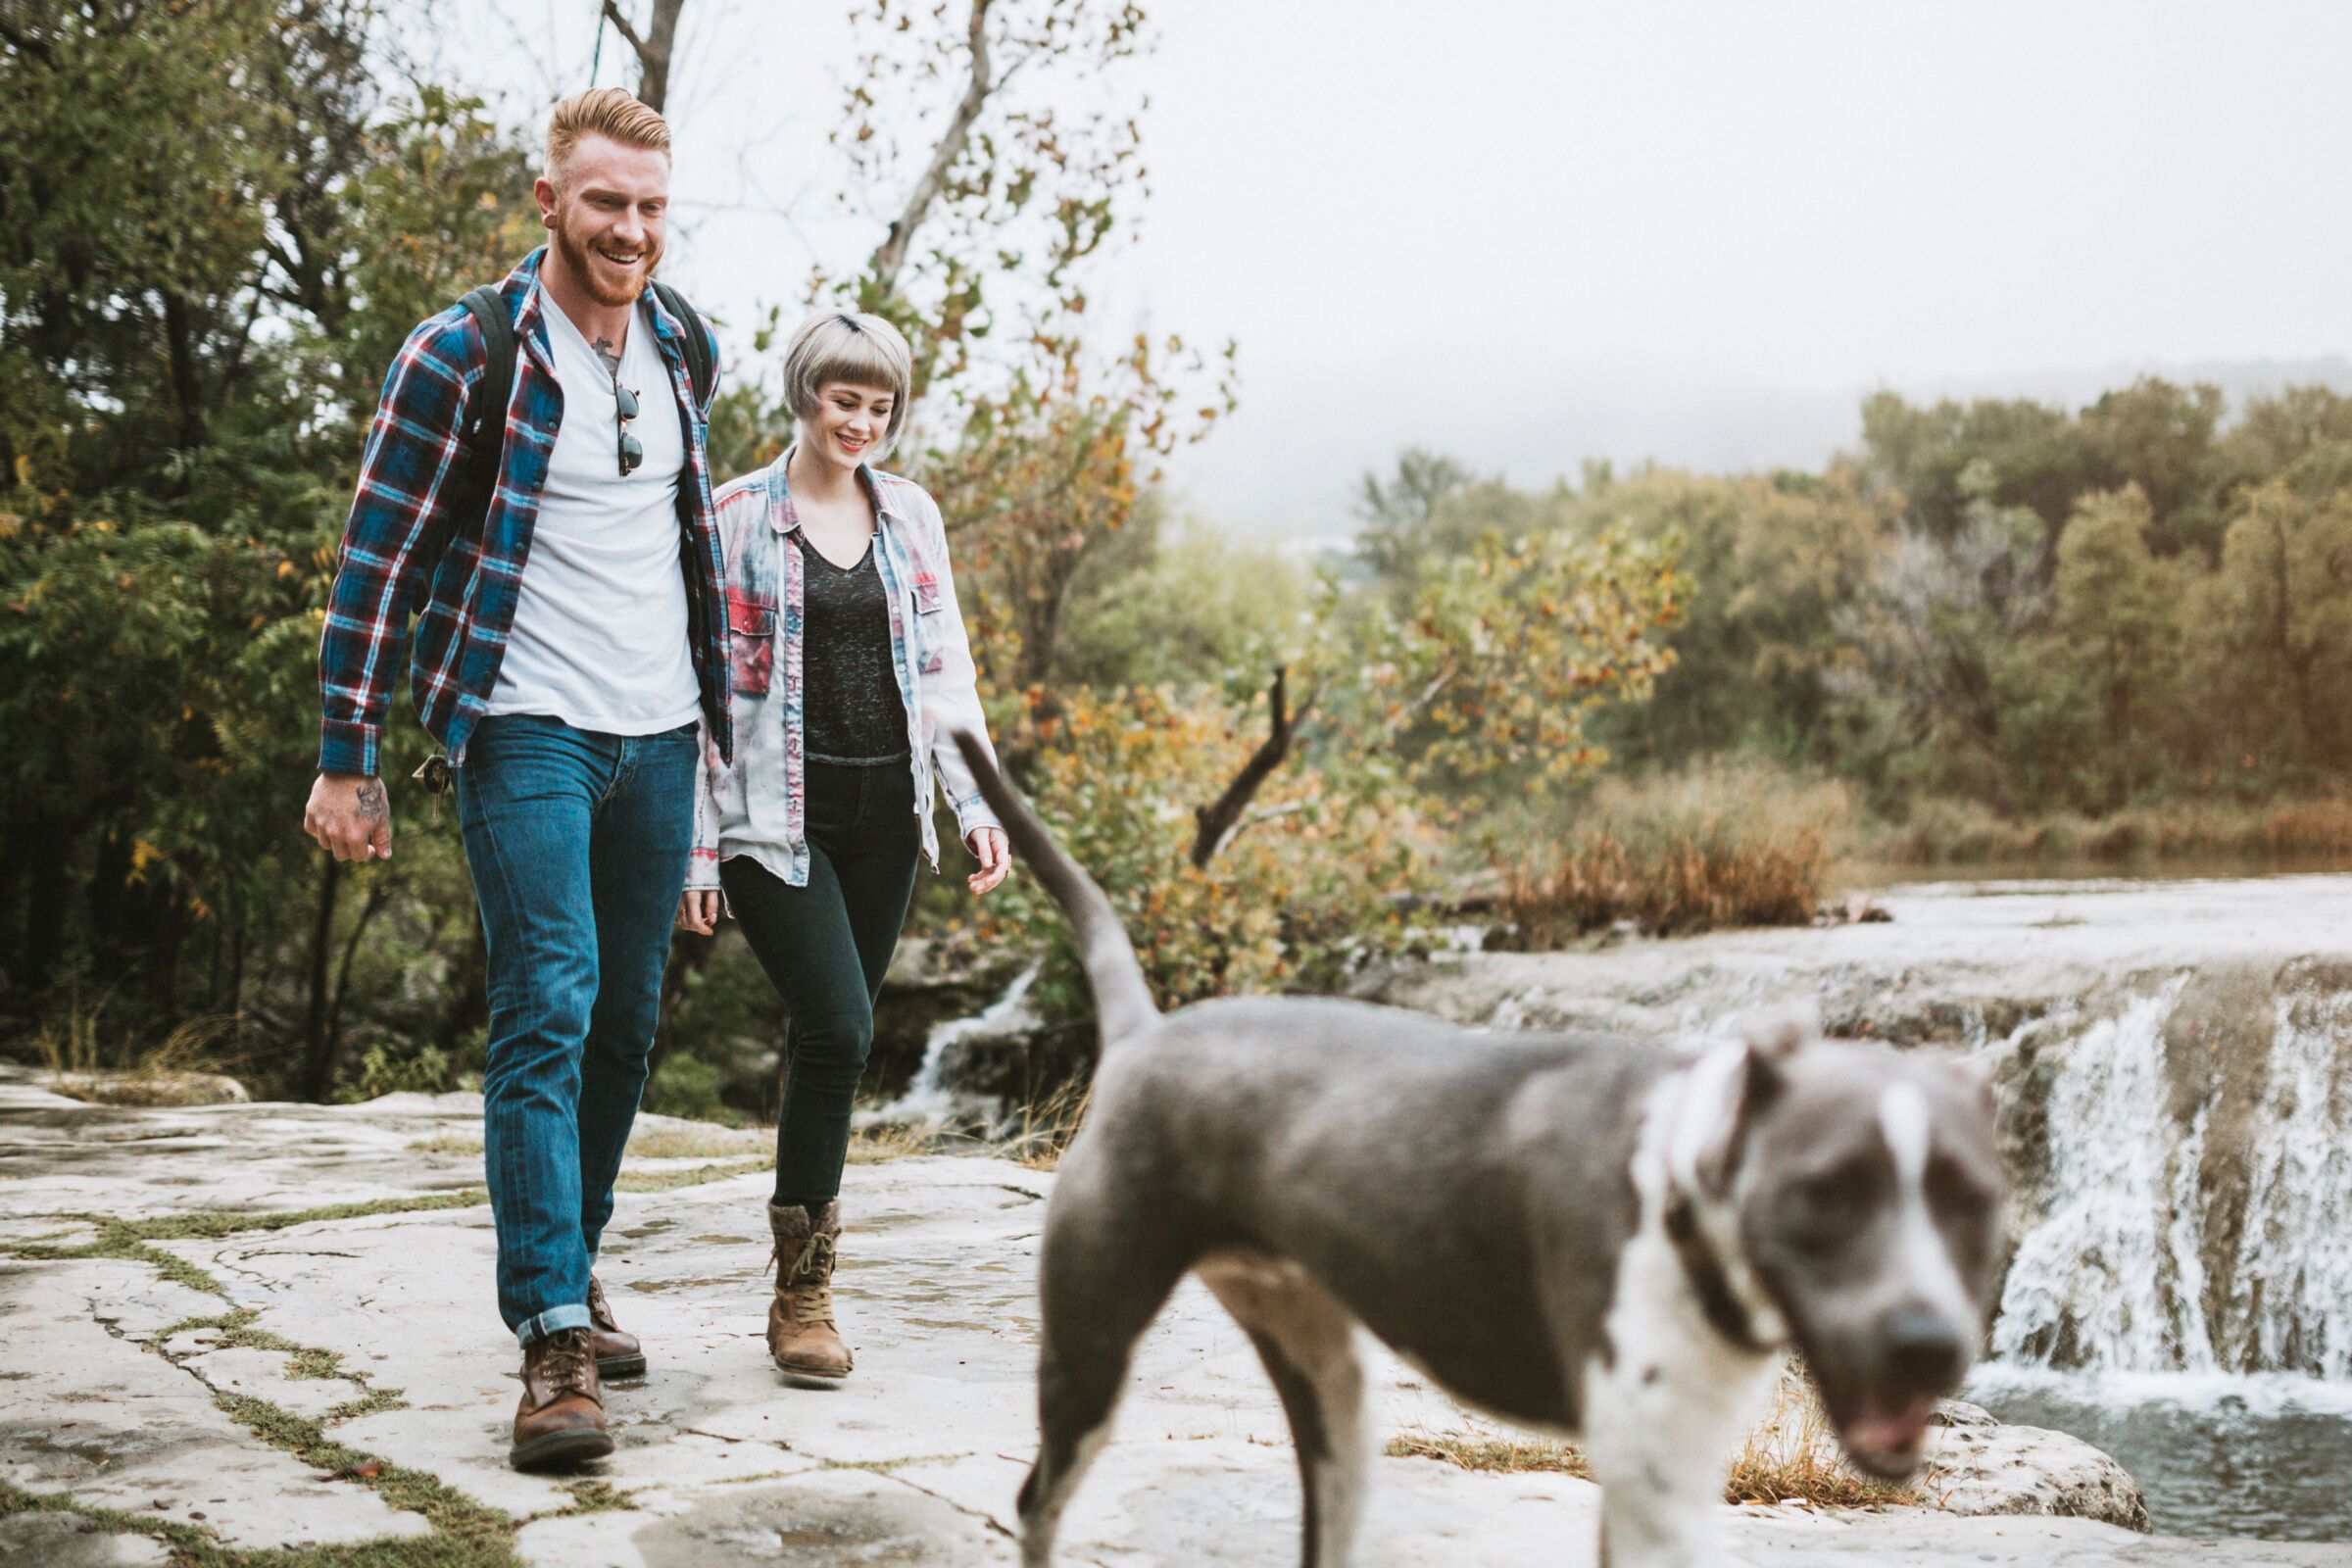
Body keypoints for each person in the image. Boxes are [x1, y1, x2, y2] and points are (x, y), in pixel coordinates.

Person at [303, 87, 726, 1470]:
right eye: (607, 202)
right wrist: (345, 754)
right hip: (525, 721)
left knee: (625, 1021)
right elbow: (378, 558)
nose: (632, 229)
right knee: (549, 997)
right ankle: (551, 1337)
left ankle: (576, 1266)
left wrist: (719, 754)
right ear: (548, 202)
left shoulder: (682, 344)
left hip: (659, 735)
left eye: (653, 205)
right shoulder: (462, 356)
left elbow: (677, 552)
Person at [677, 309, 1009, 1380]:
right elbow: (699, 699)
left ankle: (805, 1277)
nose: (860, 421)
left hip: (886, 823)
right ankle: (802, 1295)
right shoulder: (733, 517)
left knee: (835, 1045)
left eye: (879, 406)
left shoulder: (911, 517)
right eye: (843, 399)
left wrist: (977, 807)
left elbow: (947, 671)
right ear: (805, 397)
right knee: (837, 1023)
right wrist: (694, 851)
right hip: (772, 824)